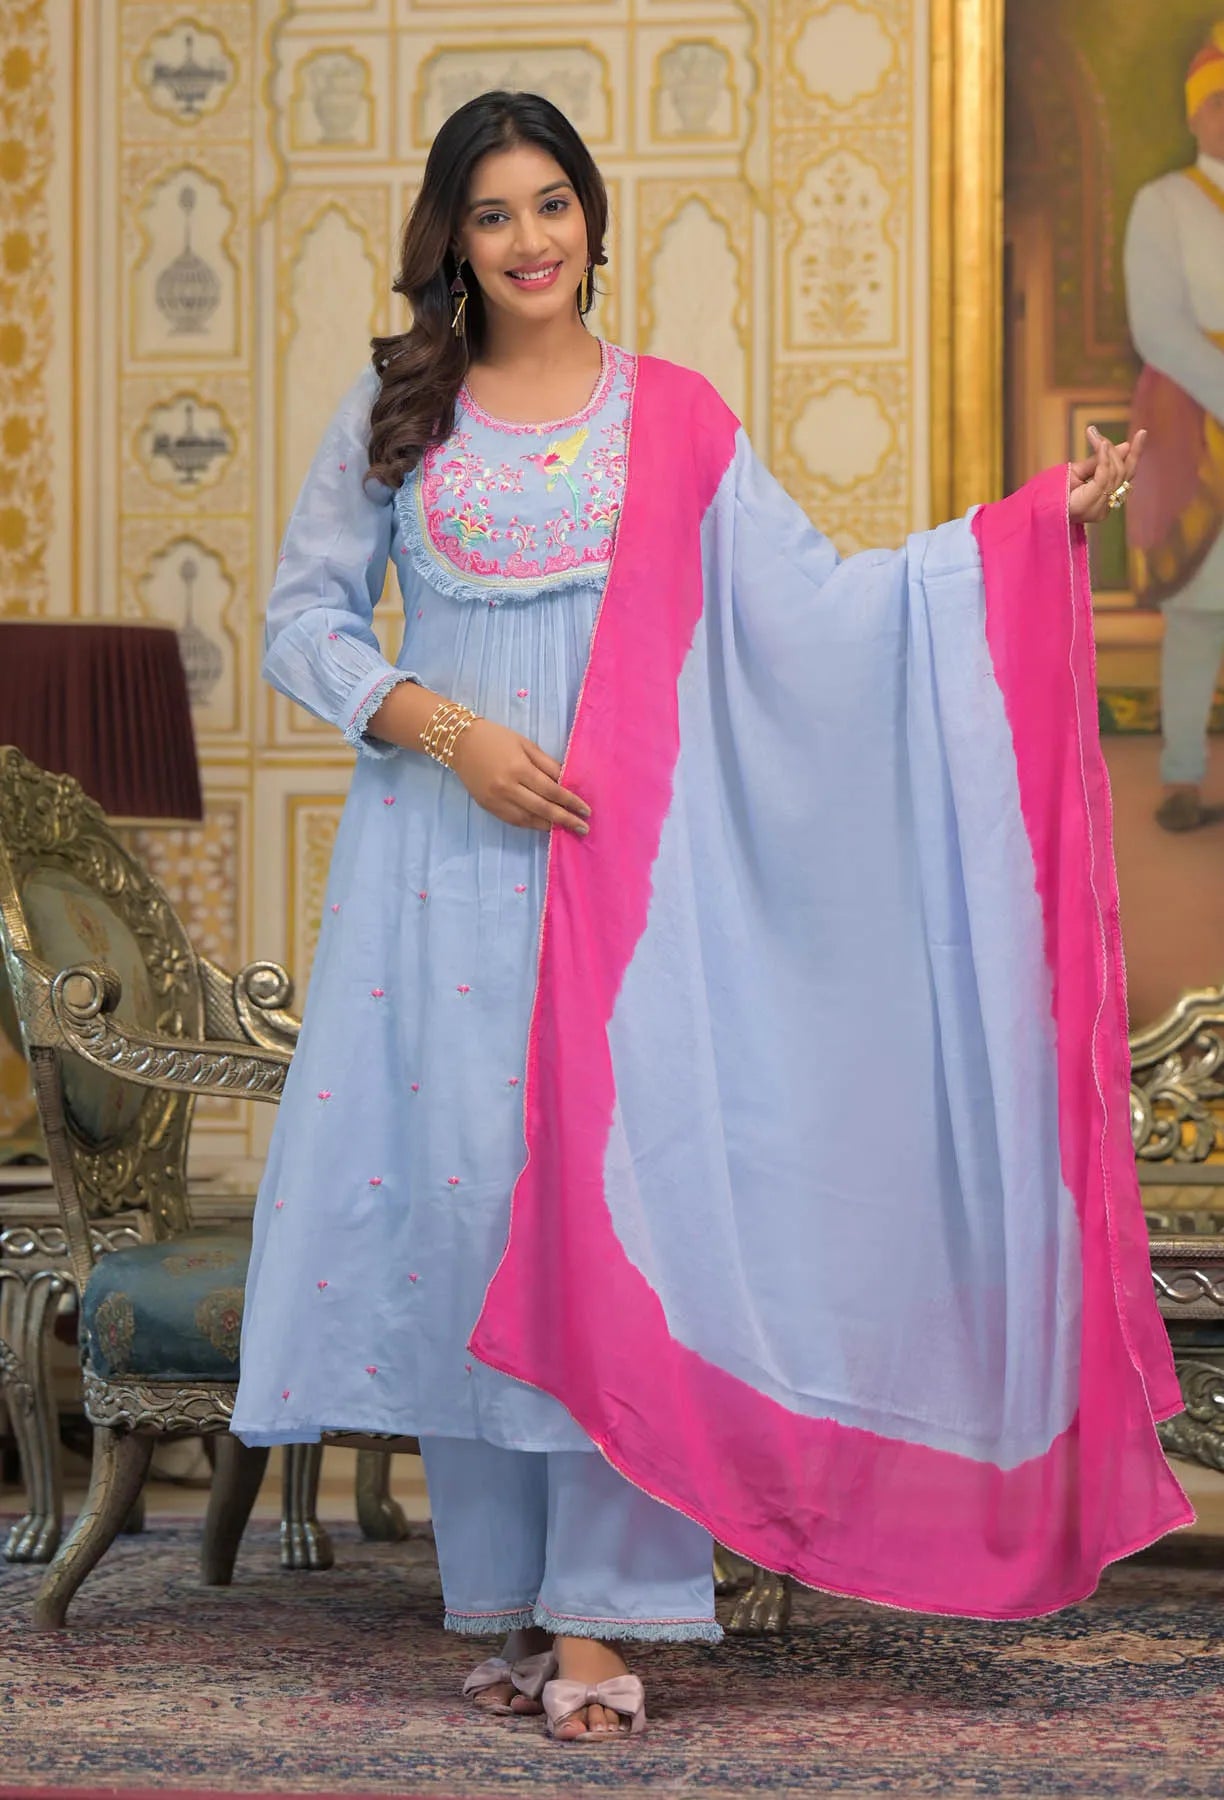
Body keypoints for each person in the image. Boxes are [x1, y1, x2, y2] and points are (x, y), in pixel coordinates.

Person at [233, 90, 1190, 1742]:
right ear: (450, 242)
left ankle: (610, 1619)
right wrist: (449, 735)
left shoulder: (667, 419)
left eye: (552, 205)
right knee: (477, 1221)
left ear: (596, 224)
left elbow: (818, 603)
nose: (528, 239)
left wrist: (1037, 532)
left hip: (631, 881)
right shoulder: (404, 420)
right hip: (436, 879)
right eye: (492, 213)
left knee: (622, 1220)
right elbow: (299, 623)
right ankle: (520, 1605)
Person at [1124, 23, 1224, 831]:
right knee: (1200, 610)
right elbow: (1158, 327)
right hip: (1196, 418)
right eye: (1220, 102)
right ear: (1196, 114)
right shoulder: (1160, 205)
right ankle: (1184, 776)